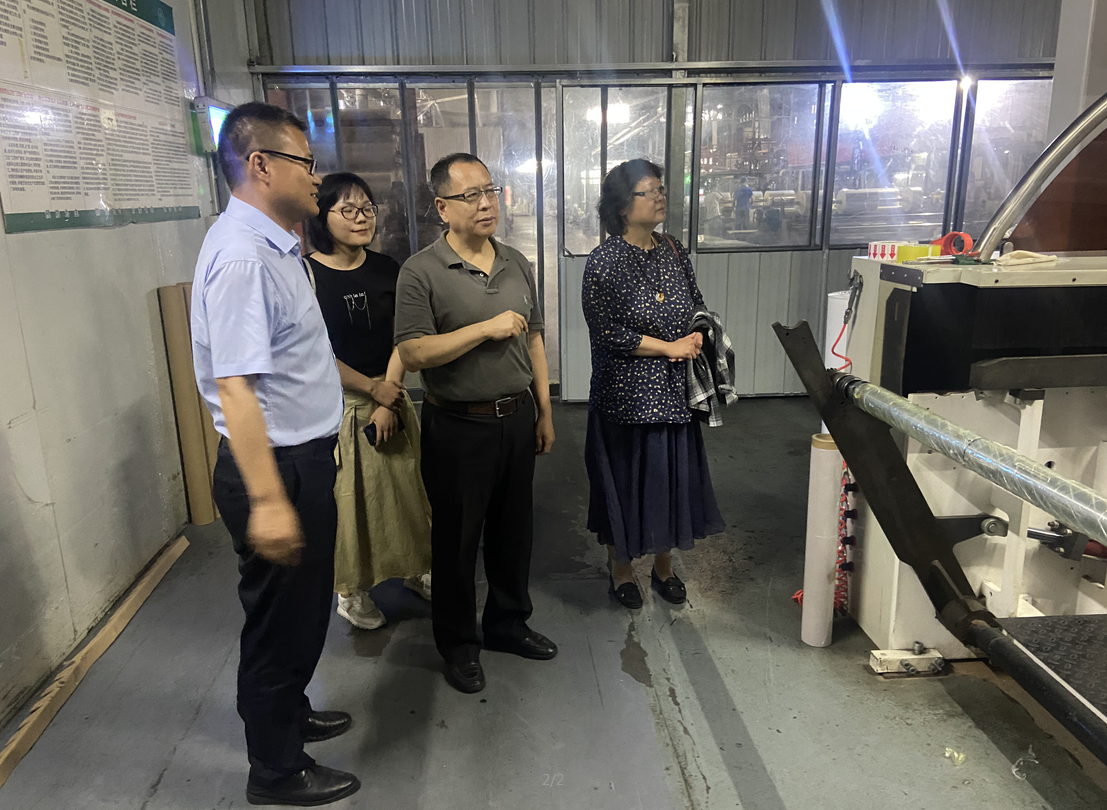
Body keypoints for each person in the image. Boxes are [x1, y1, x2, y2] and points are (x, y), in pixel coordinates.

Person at [191, 102, 360, 807]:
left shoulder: (275, 245)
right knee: (279, 624)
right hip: (277, 468)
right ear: (260, 165)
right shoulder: (242, 258)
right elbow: (236, 388)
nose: (316, 177)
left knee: (299, 615)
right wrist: (268, 500)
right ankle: (276, 771)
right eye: (305, 162)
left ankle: (289, 713)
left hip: (300, 460)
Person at [395, 152, 556, 694]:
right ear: (442, 207)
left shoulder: (516, 261)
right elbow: (413, 353)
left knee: (514, 533)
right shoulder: (421, 271)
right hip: (458, 426)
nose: (486, 203)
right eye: (470, 195)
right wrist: (484, 329)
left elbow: (534, 338)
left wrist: (544, 411)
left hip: (517, 417)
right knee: (457, 542)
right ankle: (460, 644)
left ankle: (508, 624)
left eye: (490, 191)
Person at [582, 158, 726, 610]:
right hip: (624, 400)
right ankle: (621, 569)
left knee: (670, 484)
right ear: (623, 206)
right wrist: (668, 347)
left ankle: (664, 568)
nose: (661, 197)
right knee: (622, 487)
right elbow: (606, 332)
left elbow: (697, 302)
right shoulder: (604, 262)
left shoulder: (673, 250)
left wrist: (697, 333)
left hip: (674, 395)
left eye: (661, 189)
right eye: (650, 191)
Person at [304, 172, 433, 631]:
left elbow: (404, 335)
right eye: (348, 210)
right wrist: (372, 390)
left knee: (408, 490)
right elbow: (315, 352)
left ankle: (416, 567)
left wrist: (387, 393)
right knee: (352, 501)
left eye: (367, 209)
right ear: (322, 216)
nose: (362, 218)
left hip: (390, 392)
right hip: (340, 403)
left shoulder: (386, 269)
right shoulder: (305, 275)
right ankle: (351, 590)